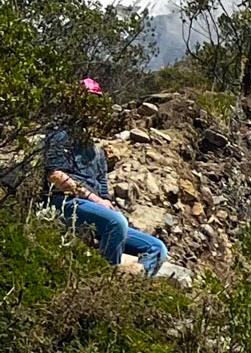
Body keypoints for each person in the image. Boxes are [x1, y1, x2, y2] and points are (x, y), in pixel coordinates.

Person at [43, 81, 168, 278]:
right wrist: (95, 200)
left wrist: (105, 202)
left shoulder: (97, 150)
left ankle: (128, 284)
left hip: (93, 207)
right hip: (65, 203)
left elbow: (103, 187)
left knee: (157, 247)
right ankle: (104, 280)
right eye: (87, 101)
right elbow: (55, 176)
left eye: (96, 103)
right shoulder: (60, 135)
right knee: (116, 222)